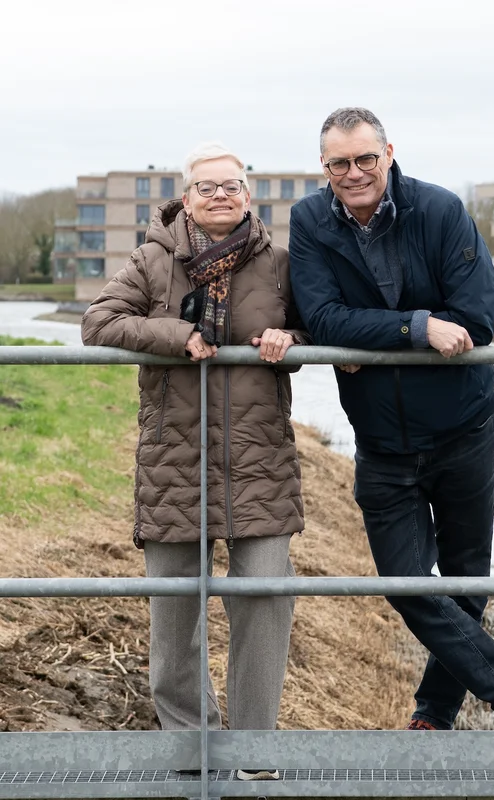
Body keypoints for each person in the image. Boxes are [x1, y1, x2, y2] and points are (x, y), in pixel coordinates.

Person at [288, 107, 494, 732]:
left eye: (364, 159)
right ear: (323, 166)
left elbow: (477, 320)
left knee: (464, 581)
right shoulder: (308, 221)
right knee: (407, 585)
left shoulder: (439, 212)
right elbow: (323, 319)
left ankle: (433, 712)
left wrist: (372, 342)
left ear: (389, 154)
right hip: (380, 439)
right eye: (338, 164)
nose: (353, 174)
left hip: (462, 427)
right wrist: (417, 327)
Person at [81, 143, 308, 779]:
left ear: (249, 194)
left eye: (230, 186)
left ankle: (254, 752)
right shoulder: (153, 259)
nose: (219, 196)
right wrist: (176, 336)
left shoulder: (280, 263)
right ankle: (194, 748)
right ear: (185, 196)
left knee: (265, 598)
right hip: (174, 459)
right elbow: (100, 323)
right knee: (174, 614)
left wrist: (289, 337)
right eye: (206, 187)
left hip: (259, 459)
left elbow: (319, 323)